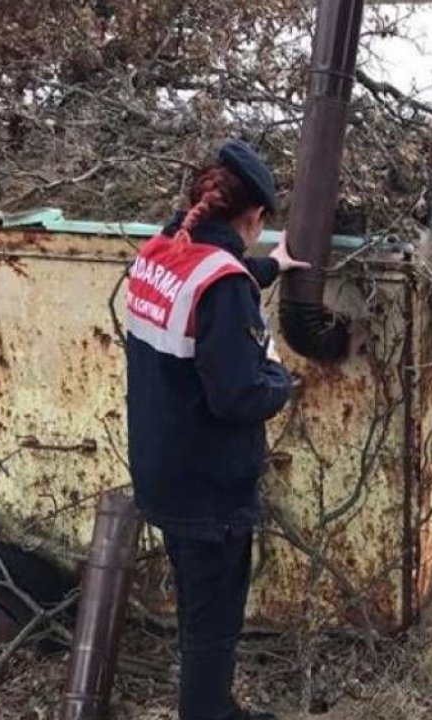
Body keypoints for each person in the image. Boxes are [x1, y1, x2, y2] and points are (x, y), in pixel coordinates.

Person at [125, 139, 308, 720]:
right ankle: (207, 712)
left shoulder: (159, 251)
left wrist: (269, 267)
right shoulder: (222, 284)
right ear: (253, 217)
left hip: (163, 468)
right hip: (210, 488)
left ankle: (213, 707)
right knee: (214, 622)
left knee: (197, 608)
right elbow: (240, 395)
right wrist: (283, 380)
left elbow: (210, 281)